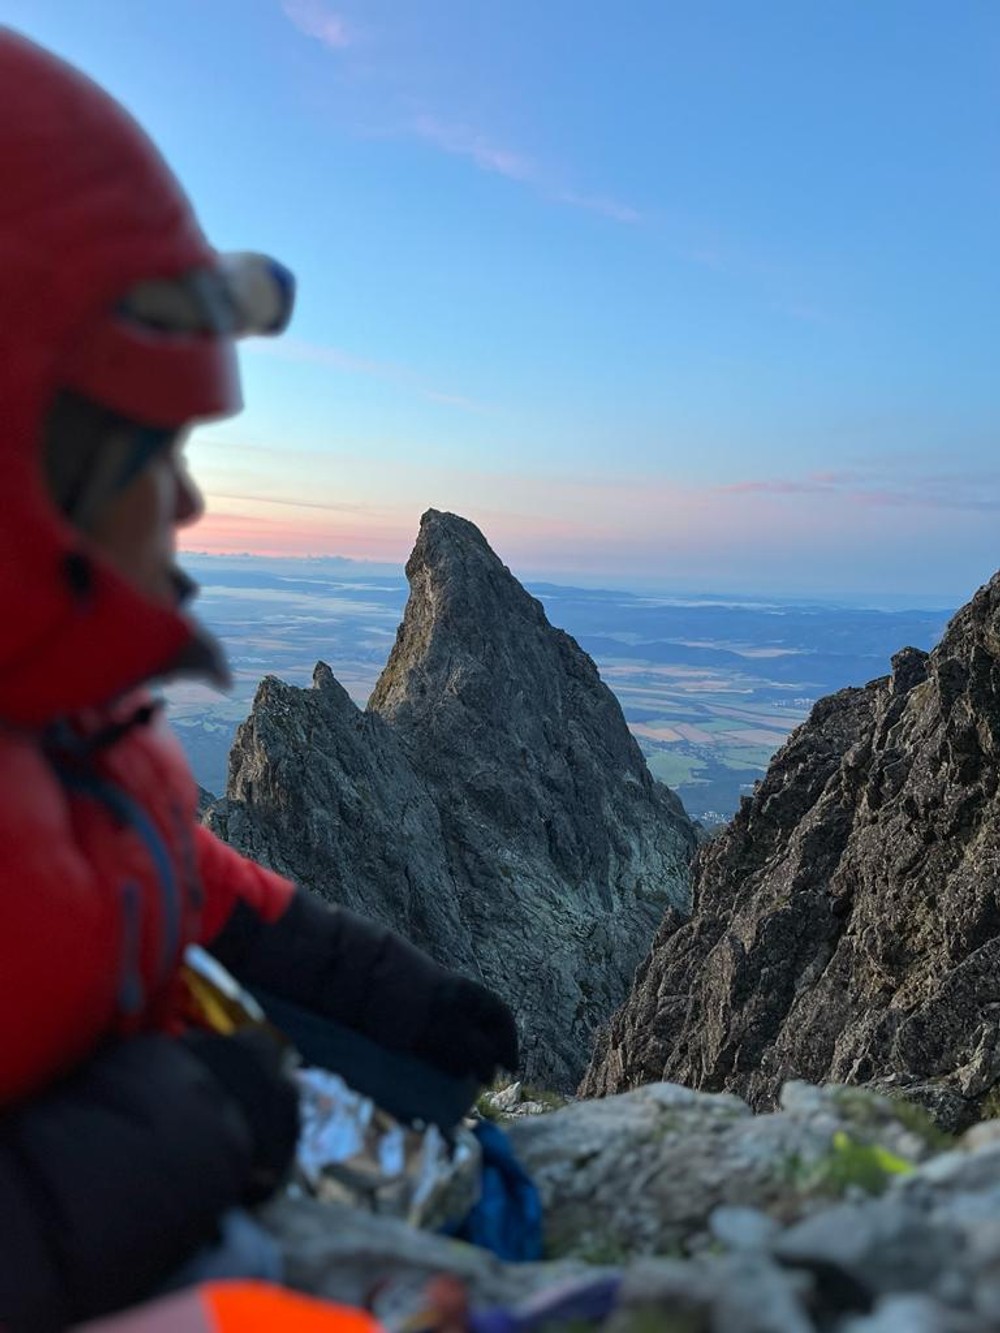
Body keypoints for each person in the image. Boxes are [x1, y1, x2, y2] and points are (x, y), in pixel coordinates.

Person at [0, 29, 518, 1332]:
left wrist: (390, 992)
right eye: (151, 453)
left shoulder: (71, 726)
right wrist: (182, 1128)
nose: (186, 502)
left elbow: (176, 879)